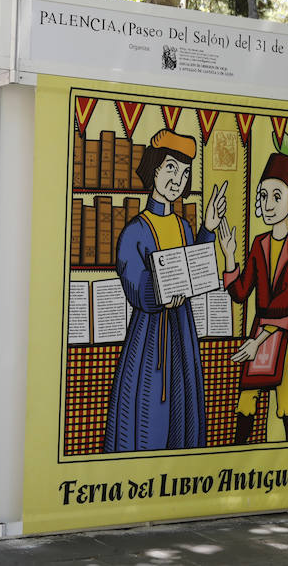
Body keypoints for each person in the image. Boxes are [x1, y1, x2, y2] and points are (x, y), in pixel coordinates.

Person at [103, 129, 228, 453]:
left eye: (185, 173)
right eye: (171, 168)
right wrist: (162, 291)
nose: (178, 180)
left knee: (182, 409)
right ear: (154, 169)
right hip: (150, 340)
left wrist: (208, 230)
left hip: (181, 333)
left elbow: (194, 268)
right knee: (147, 412)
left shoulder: (185, 226)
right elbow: (134, 285)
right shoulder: (135, 230)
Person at [217, 154, 288, 444]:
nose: (268, 204)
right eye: (264, 196)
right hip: (259, 331)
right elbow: (241, 292)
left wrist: (257, 342)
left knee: (286, 403)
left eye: (276, 196)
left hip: (284, 333)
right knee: (246, 400)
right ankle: (236, 457)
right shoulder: (260, 244)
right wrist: (230, 255)